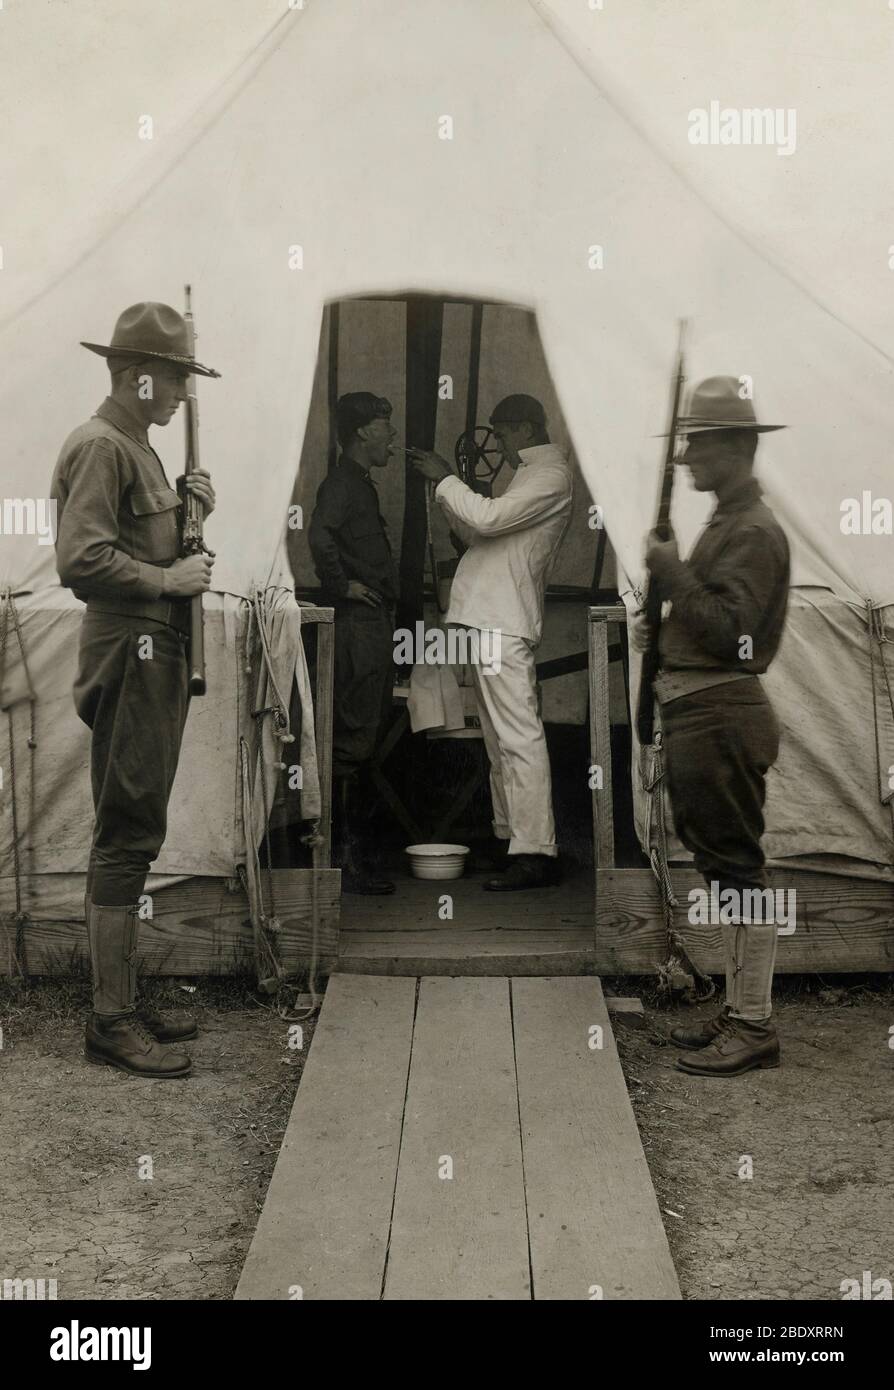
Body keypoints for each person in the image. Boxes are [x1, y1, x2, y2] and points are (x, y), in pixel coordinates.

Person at [51, 301, 219, 1078]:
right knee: (125, 828)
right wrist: (168, 577)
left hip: (153, 648)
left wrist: (192, 515)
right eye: (178, 377)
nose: (184, 391)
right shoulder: (100, 447)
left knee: (138, 822)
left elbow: (141, 540)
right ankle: (109, 1020)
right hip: (130, 648)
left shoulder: (138, 448)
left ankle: (120, 999)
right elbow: (82, 561)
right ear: (141, 376)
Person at [632, 376, 790, 1077]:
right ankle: (740, 1010)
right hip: (703, 714)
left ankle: (754, 1024)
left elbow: (737, 635)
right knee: (725, 871)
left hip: (721, 715)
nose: (686, 457)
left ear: (734, 446)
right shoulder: (729, 523)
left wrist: (670, 575)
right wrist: (663, 624)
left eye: (697, 443)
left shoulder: (753, 531)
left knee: (739, 873)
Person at [409, 393, 572, 890]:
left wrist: (445, 479)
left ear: (524, 429)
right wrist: (452, 496)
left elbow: (488, 520)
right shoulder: (523, 476)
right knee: (502, 742)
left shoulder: (549, 476)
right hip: (487, 620)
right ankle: (512, 840)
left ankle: (536, 852)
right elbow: (481, 535)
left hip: (503, 622)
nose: (496, 444)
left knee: (518, 738)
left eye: (500, 435)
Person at [308, 392, 398, 894]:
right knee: (353, 740)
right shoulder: (342, 484)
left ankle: (351, 859)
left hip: (372, 623)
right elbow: (319, 535)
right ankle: (346, 862)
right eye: (386, 427)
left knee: (362, 736)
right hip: (358, 625)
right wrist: (341, 586)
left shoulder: (359, 484)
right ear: (364, 432)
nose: (392, 437)